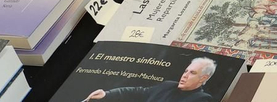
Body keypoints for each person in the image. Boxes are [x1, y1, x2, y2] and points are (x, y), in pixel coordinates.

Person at [85, 56, 220, 101]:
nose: (184, 75)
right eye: (185, 71)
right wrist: (106, 94)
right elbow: (137, 91)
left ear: (203, 78)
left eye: (192, 73)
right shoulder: (168, 85)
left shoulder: (202, 99)